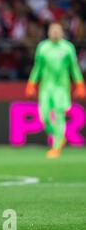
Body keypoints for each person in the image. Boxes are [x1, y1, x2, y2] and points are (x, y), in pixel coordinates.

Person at [25, 23, 85, 159]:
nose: (55, 33)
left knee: (59, 115)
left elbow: (74, 68)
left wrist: (80, 84)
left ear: (62, 32)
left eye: (58, 31)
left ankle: (56, 146)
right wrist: (31, 84)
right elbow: (37, 67)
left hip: (62, 88)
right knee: (44, 117)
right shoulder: (43, 47)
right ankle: (59, 135)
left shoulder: (68, 48)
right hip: (45, 88)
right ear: (49, 33)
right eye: (53, 31)